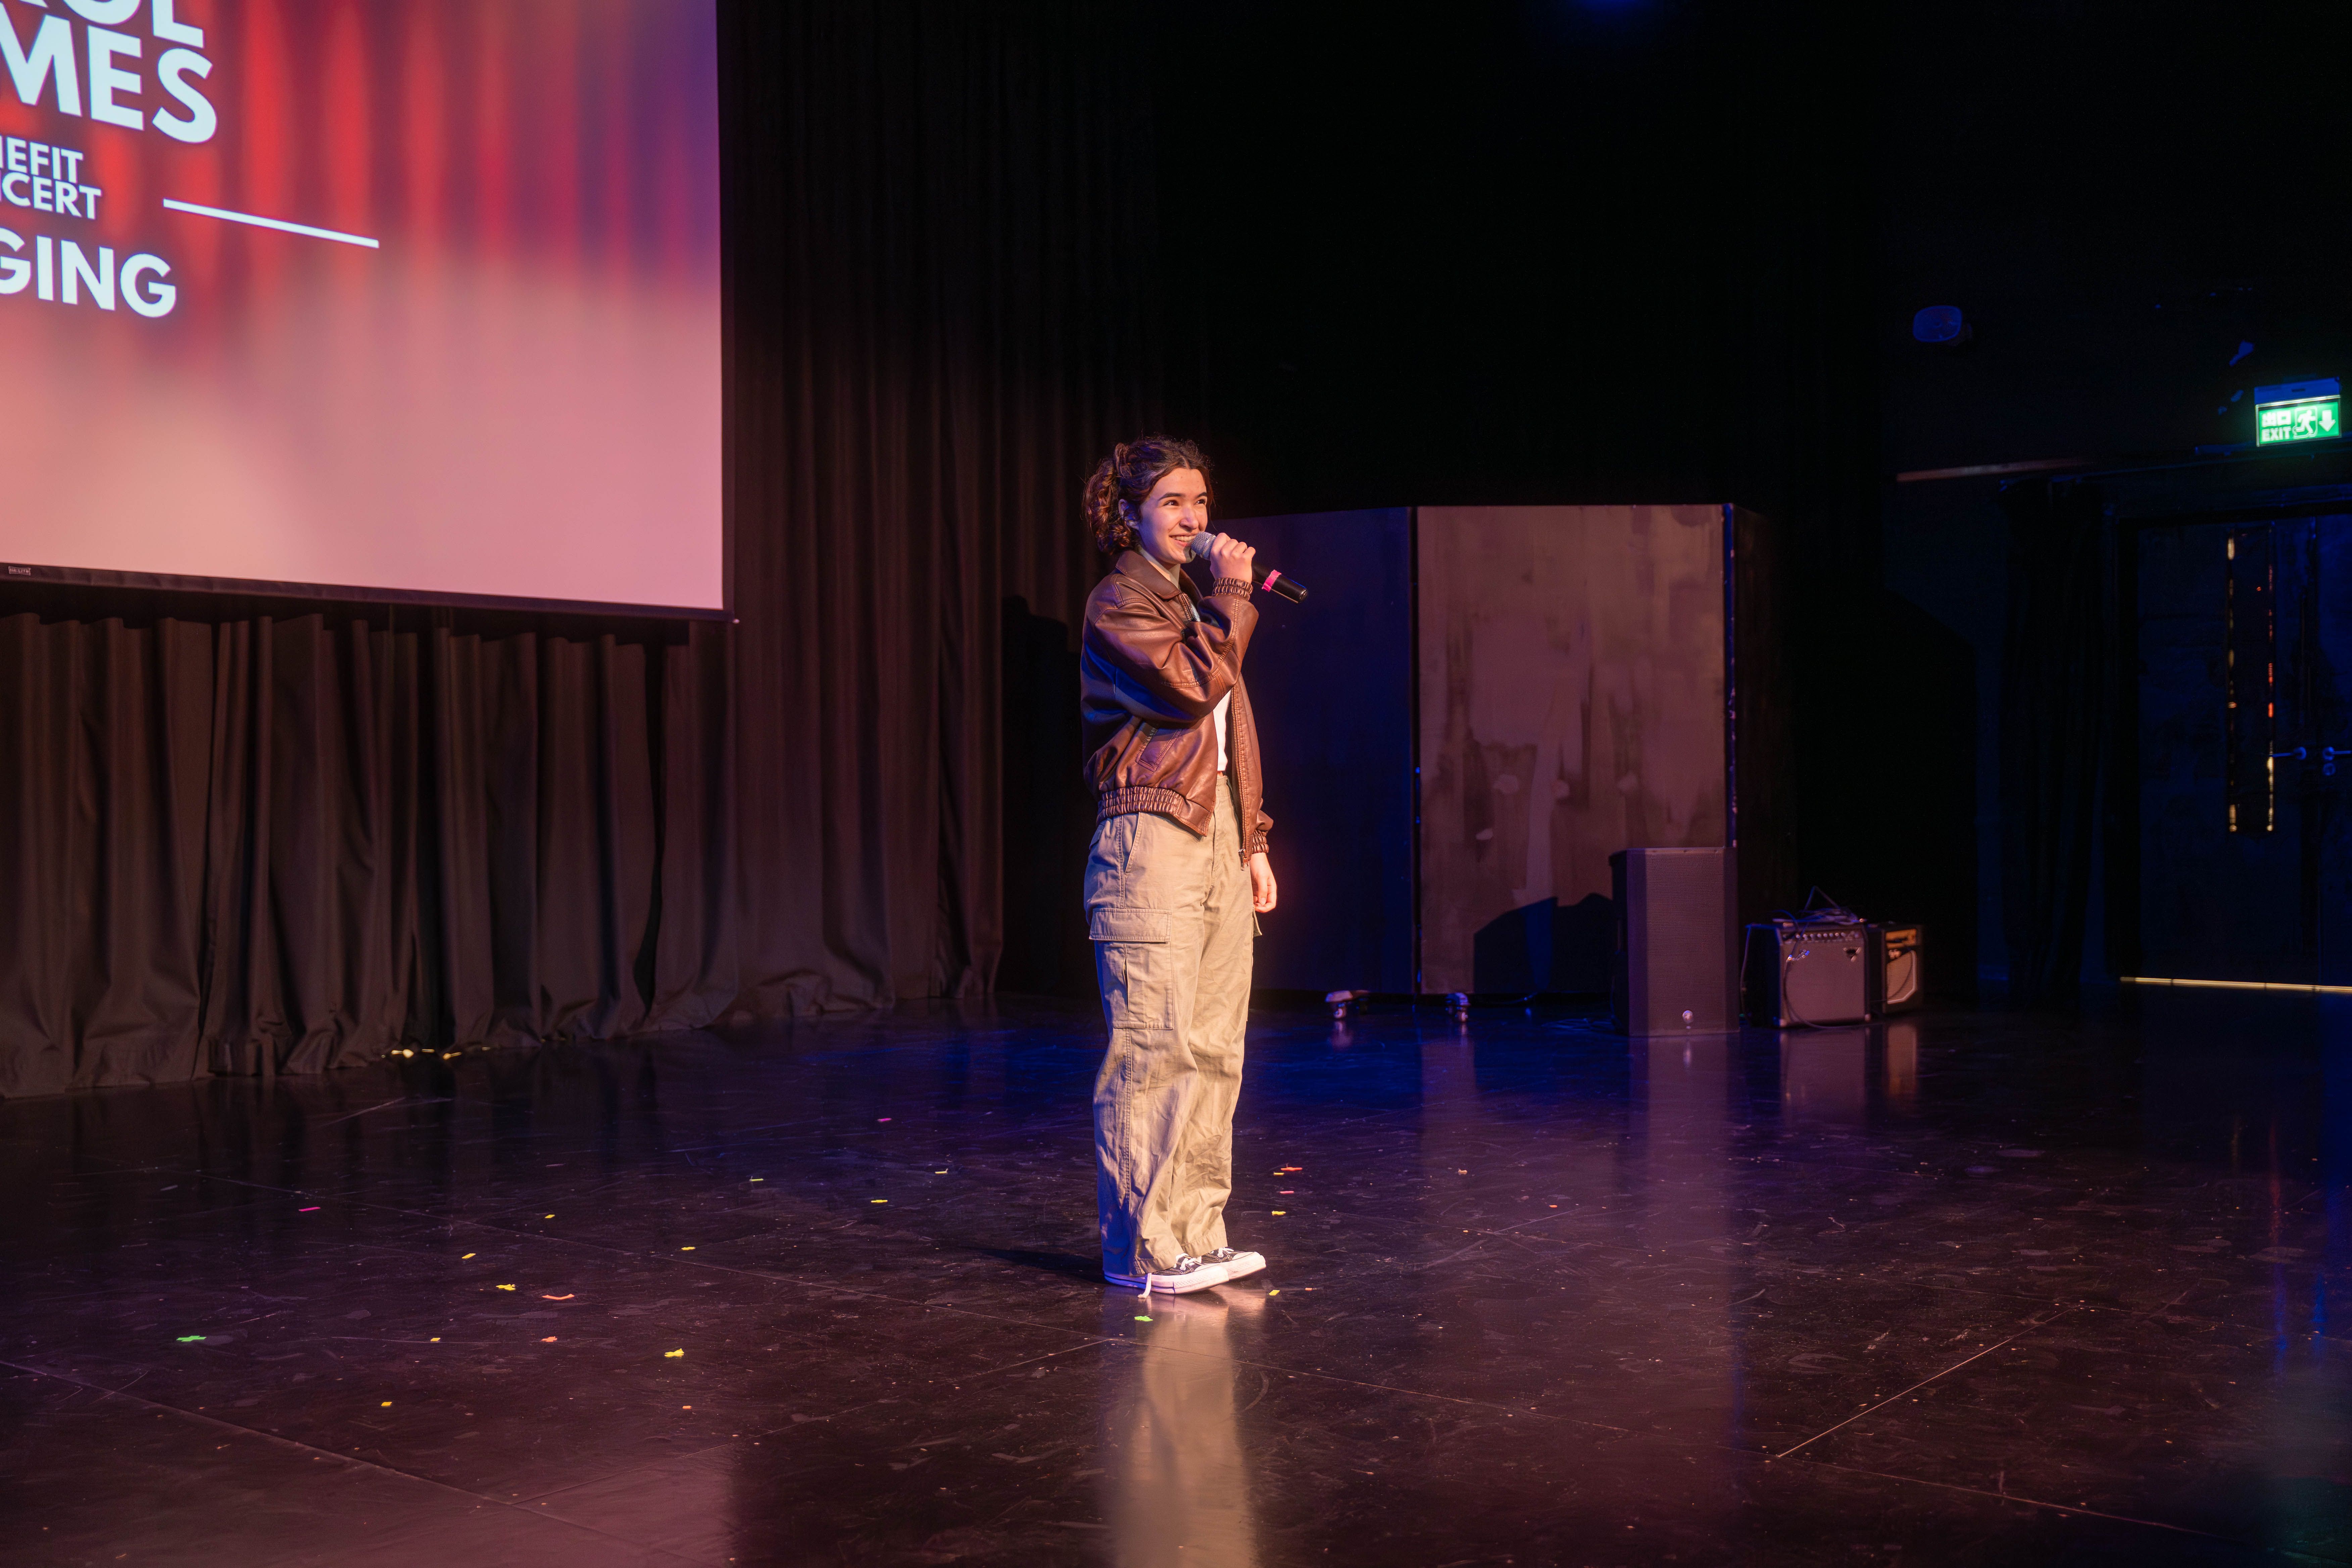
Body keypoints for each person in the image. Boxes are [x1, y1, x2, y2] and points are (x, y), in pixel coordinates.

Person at [1078, 436, 1278, 1294]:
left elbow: (1231, 734)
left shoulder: (1200, 607)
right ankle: (1143, 1248)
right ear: (1129, 515)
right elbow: (1192, 691)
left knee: (1214, 1047)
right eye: (1172, 503)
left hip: (1217, 836)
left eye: (1201, 501)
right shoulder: (1119, 601)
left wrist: (1254, 839)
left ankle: (1196, 1232)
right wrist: (1233, 594)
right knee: (1155, 1047)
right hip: (1151, 836)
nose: (1194, 518)